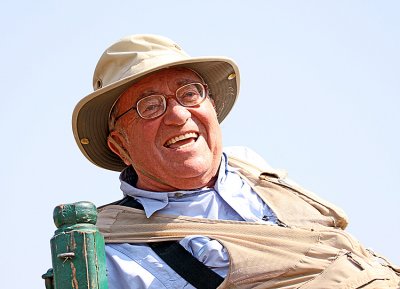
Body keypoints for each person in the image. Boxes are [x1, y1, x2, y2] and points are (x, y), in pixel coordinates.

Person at [72, 34, 400, 289]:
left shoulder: (258, 172)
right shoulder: (115, 258)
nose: (178, 114)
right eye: (150, 106)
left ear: (211, 107)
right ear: (119, 145)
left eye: (189, 94)